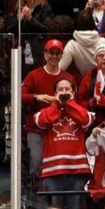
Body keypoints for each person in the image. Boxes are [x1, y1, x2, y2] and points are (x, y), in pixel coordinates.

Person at [20, 39, 76, 189]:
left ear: (62, 55)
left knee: (56, 166)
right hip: (36, 130)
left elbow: (76, 102)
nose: (54, 56)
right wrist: (36, 97)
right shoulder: (33, 75)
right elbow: (19, 95)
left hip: (58, 130)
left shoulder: (68, 78)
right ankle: (34, 198)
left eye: (57, 53)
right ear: (45, 54)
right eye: (51, 52)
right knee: (36, 163)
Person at [34, 77, 95, 209]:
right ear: (54, 94)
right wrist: (57, 104)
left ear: (74, 92)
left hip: (77, 171)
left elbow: (86, 119)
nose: (64, 92)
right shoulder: (45, 112)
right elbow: (42, 121)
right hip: (53, 171)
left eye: (67, 89)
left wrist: (70, 103)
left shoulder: (81, 111)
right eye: (60, 90)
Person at [7, 0, 54, 67]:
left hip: (38, 49)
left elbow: (47, 29)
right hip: (22, 49)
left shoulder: (44, 8)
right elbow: (9, 30)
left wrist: (30, 19)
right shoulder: (19, 8)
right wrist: (19, 21)